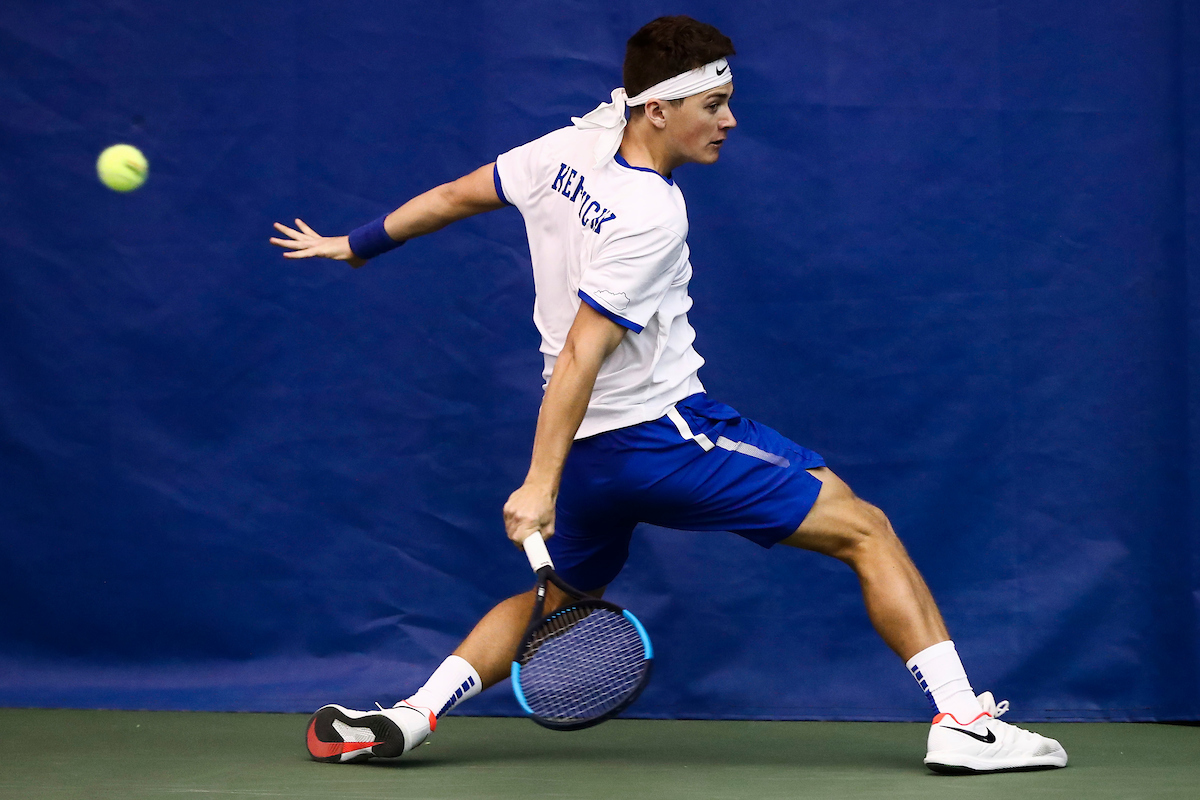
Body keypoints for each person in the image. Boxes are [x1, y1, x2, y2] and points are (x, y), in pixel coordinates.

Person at [271, 15, 1067, 774]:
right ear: (656, 111)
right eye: (712, 105)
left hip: (588, 453)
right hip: (657, 438)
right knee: (867, 531)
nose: (728, 122)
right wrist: (537, 484)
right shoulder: (652, 213)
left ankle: (411, 715)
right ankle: (964, 723)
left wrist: (357, 245)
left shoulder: (564, 149)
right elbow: (585, 348)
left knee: (563, 597)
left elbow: (452, 195)